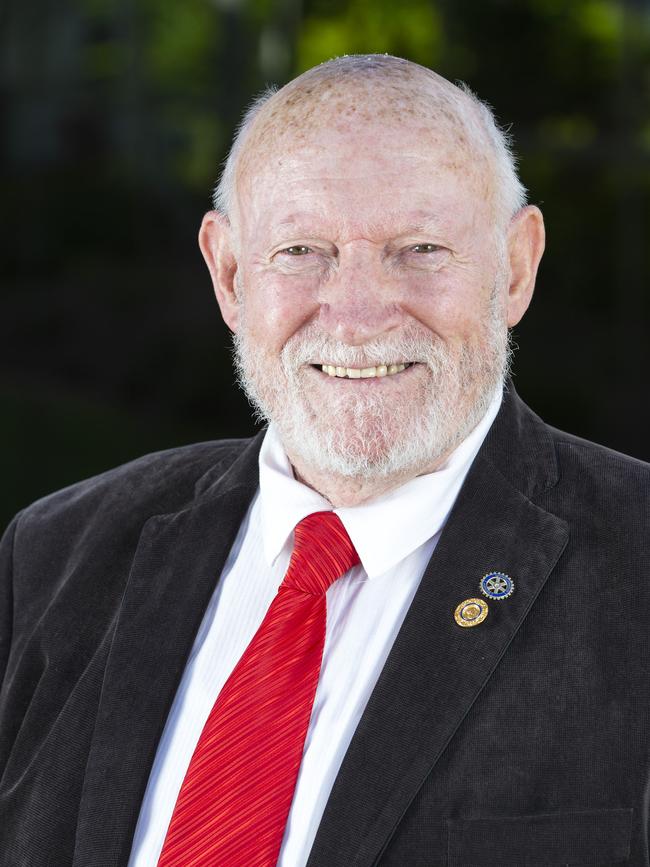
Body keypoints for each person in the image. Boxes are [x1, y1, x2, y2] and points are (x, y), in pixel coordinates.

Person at [0, 53, 647, 866]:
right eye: (303, 250)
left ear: (515, 267)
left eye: (419, 248)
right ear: (230, 274)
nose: (358, 314)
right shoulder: (55, 555)